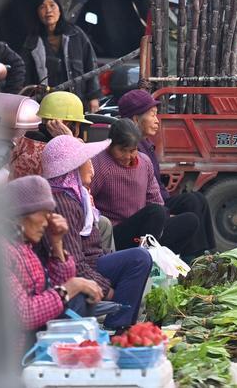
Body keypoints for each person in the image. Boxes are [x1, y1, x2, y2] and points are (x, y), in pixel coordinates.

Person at [41, 135, 153, 330]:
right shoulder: (63, 203)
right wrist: (107, 290)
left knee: (136, 258)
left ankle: (122, 324)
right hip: (81, 271)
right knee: (138, 258)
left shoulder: (75, 196)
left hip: (92, 264)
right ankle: (118, 326)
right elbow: (74, 264)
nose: (92, 169)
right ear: (73, 168)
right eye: (87, 161)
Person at [2, 176, 104, 348]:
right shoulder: (1, 251)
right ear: (20, 214)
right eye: (42, 214)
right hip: (14, 350)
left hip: (35, 338)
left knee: (80, 297)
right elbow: (25, 315)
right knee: (78, 296)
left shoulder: (24, 245)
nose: (46, 222)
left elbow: (57, 286)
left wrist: (57, 242)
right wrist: (72, 286)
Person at [9, 91, 116, 251]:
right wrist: (70, 140)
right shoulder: (53, 153)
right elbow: (87, 180)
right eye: (77, 124)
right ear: (64, 123)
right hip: (55, 218)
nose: (79, 129)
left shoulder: (24, 144)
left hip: (28, 219)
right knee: (103, 225)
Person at [118, 89, 215, 253]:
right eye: (152, 115)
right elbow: (138, 196)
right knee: (191, 209)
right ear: (135, 119)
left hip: (159, 202)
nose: (157, 121)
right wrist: (165, 214)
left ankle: (205, 252)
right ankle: (193, 255)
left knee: (196, 199)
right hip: (148, 211)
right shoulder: (131, 151)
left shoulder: (146, 144)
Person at [91, 119, 204, 258]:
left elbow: (155, 199)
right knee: (155, 212)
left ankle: (161, 259)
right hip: (117, 234)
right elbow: (88, 201)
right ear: (110, 144)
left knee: (190, 220)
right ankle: (145, 259)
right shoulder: (99, 164)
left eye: (132, 150)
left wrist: (163, 220)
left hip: (144, 233)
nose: (127, 156)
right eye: (122, 150)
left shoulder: (144, 162)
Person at [22, 0, 101, 111]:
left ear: (59, 9)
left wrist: (93, 97)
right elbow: (26, 76)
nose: (48, 10)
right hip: (46, 105)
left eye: (52, 5)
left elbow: (91, 66)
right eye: (42, 7)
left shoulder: (76, 34)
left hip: (76, 102)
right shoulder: (32, 42)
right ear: (37, 13)